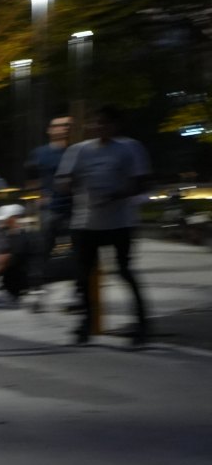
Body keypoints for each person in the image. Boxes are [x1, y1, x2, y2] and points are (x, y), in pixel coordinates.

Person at [54, 104, 151, 345]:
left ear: (115, 126)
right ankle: (85, 325)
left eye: (105, 123)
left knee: (124, 272)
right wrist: (69, 183)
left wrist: (117, 193)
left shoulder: (129, 148)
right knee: (83, 276)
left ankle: (141, 324)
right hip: (85, 223)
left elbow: (140, 182)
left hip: (119, 221)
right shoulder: (79, 150)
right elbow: (63, 181)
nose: (100, 127)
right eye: (96, 123)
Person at [27, 115, 74, 259]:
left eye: (68, 125)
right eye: (60, 125)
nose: (64, 128)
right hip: (49, 208)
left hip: (74, 207)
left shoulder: (77, 151)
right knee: (44, 246)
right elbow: (32, 180)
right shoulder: (39, 153)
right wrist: (33, 205)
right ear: (49, 130)